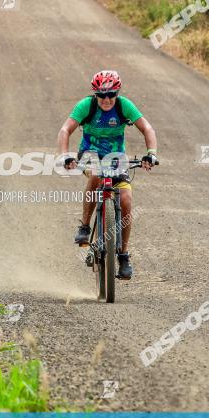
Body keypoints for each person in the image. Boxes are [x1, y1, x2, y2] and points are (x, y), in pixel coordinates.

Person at [56, 70, 158, 279]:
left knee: (127, 200)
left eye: (111, 94)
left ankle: (123, 256)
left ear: (117, 92)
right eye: (101, 95)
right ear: (95, 94)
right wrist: (65, 156)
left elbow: (147, 128)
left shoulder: (124, 106)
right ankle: (85, 226)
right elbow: (65, 130)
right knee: (95, 173)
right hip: (90, 154)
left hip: (115, 157)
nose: (106, 99)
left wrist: (151, 154)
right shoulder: (86, 106)